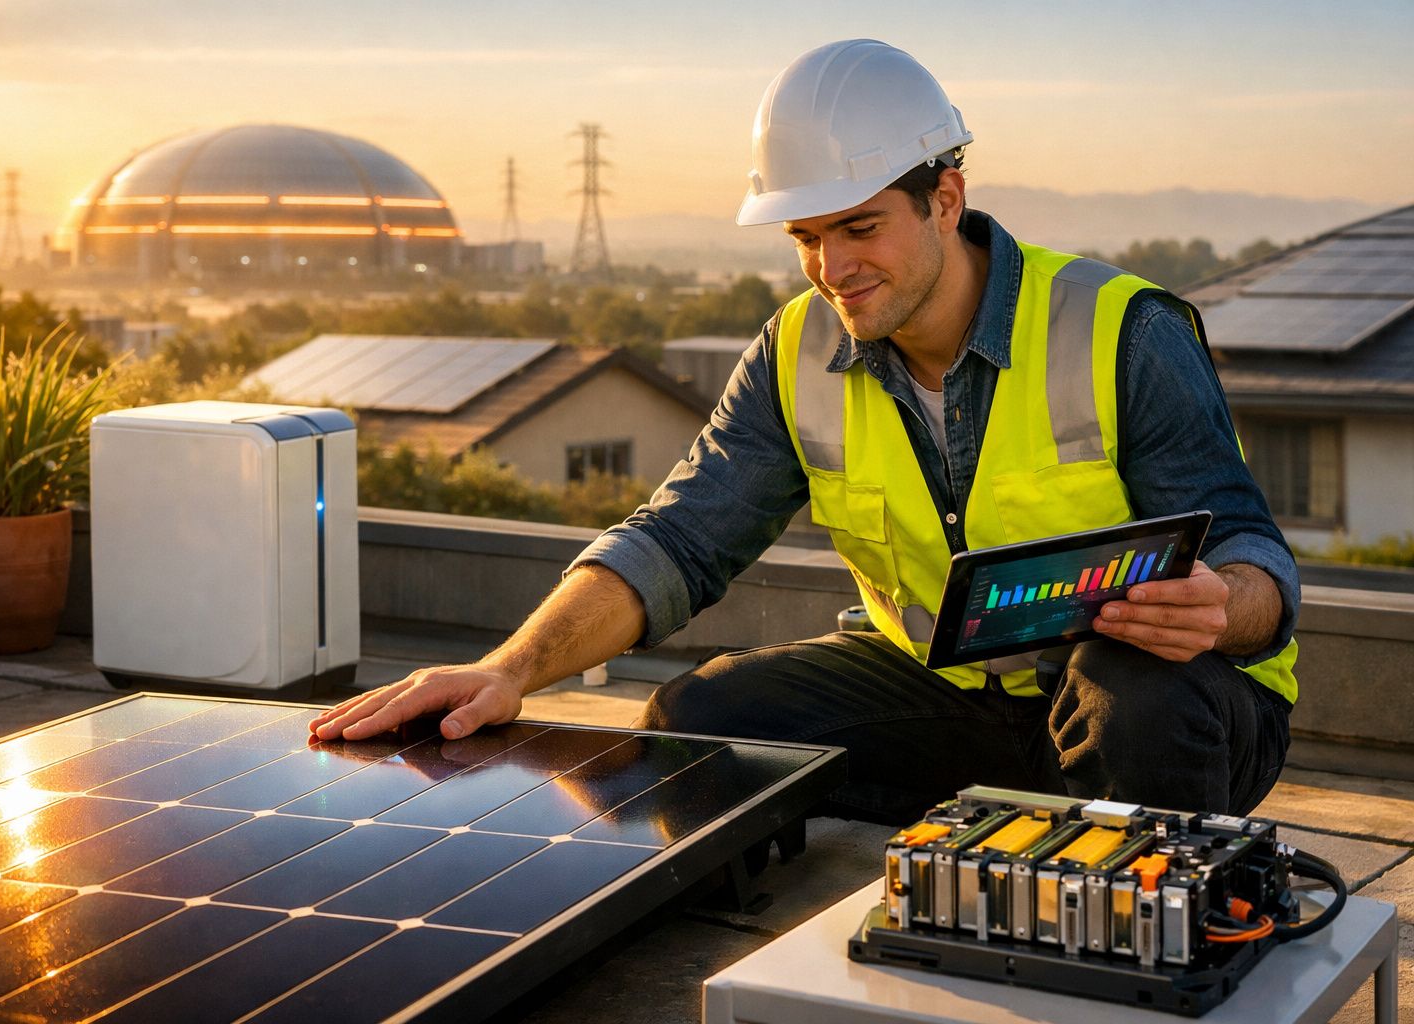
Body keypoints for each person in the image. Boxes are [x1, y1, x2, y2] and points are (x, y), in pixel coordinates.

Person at [310, 39, 1298, 824]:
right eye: (806, 238)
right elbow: (677, 540)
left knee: (1135, 693)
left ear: (943, 199)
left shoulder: (1122, 329)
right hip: (952, 698)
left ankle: (1137, 909)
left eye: (859, 227)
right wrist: (508, 667)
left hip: (1173, 713)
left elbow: (1255, 557)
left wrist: (1225, 606)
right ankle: (987, 838)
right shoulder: (794, 354)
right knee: (699, 722)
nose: (832, 267)